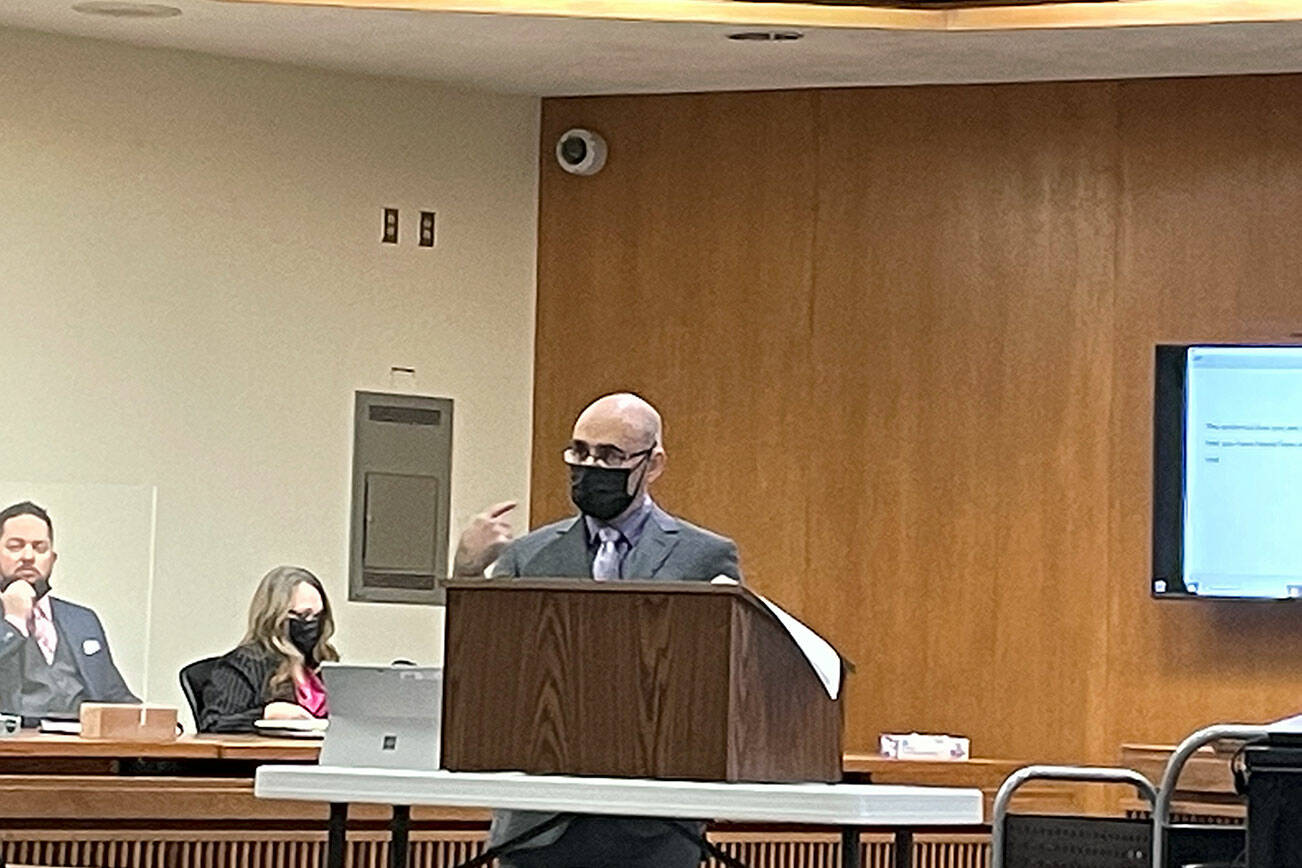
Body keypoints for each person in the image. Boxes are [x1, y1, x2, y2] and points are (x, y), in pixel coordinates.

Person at [453, 392, 742, 868]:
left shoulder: (704, 557)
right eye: (579, 452)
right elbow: (481, 665)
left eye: (609, 456)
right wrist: (466, 570)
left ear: (652, 465)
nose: (590, 466)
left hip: (653, 826)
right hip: (539, 824)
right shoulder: (529, 555)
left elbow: (720, 678)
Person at [0, 501, 138, 723]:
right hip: (13, 748)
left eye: (39, 548)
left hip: (83, 746)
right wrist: (13, 623)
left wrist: (151, 721)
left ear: (52, 560)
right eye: (15, 546)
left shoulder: (82, 620)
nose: (28, 556)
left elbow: (114, 695)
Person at [199, 565, 338, 733]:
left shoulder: (322, 663)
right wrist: (266, 714)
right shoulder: (245, 663)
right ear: (275, 616)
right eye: (303, 615)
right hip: (272, 757)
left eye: (318, 616)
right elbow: (214, 723)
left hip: (329, 757)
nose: (312, 623)